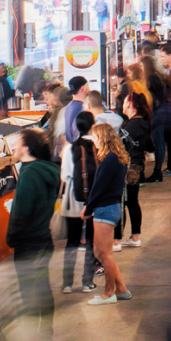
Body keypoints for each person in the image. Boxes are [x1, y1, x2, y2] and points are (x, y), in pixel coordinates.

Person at [5, 129, 61, 341]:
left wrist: (10, 238)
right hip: (43, 238)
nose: (14, 147)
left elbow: (22, 214)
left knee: (28, 292)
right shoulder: (46, 170)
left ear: (27, 149)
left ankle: (31, 339)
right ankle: (46, 333)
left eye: (17, 143)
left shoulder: (29, 174)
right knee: (43, 288)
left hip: (29, 243)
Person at [82, 125, 132, 305]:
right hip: (109, 207)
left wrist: (88, 208)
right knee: (99, 251)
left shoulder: (110, 160)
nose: (93, 140)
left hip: (105, 209)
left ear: (102, 138)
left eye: (95, 137)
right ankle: (121, 289)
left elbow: (98, 187)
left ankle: (108, 293)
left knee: (105, 254)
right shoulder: (116, 158)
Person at [58, 112, 98, 294]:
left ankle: (67, 283)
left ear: (76, 127)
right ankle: (87, 282)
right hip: (94, 201)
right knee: (91, 241)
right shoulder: (99, 145)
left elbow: (65, 175)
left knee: (72, 241)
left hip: (74, 199)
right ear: (93, 125)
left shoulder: (69, 148)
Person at [116, 95, 150, 249]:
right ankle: (135, 237)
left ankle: (116, 240)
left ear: (130, 104)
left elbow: (120, 144)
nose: (122, 104)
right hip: (135, 166)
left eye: (124, 102)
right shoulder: (138, 123)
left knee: (123, 201)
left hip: (131, 166)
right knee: (131, 201)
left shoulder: (133, 125)